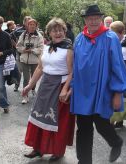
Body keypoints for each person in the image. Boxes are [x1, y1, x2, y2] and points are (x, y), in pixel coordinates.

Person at [70, 4, 126, 164]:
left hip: (101, 90)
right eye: (90, 19)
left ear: (101, 19)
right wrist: (70, 87)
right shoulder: (79, 38)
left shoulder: (110, 38)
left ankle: (116, 142)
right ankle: (84, 161)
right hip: (82, 91)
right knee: (83, 128)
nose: (93, 21)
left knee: (102, 124)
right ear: (85, 20)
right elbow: (75, 66)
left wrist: (118, 93)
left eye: (97, 18)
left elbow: (117, 66)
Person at [22, 18, 75, 161]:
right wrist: (29, 85)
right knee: (38, 116)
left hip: (60, 86)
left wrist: (65, 89)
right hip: (45, 85)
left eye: (60, 30)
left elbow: (72, 72)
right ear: (49, 33)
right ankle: (38, 148)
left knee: (57, 121)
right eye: (54, 30)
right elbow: (40, 68)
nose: (57, 33)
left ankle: (57, 150)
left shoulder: (69, 49)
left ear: (65, 31)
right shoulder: (46, 47)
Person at [109, 21, 126, 128]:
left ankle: (119, 119)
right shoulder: (111, 40)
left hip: (125, 67)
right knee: (114, 94)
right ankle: (113, 119)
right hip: (116, 68)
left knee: (123, 94)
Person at [16, 19, 44, 104]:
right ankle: (25, 96)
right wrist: (24, 49)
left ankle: (33, 88)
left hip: (35, 61)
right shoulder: (23, 35)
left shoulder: (39, 36)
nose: (32, 26)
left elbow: (41, 49)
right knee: (26, 78)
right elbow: (18, 46)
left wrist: (32, 50)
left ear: (36, 26)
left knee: (33, 78)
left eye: (33, 24)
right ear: (27, 26)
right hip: (24, 60)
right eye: (30, 24)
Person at [11, 16, 32, 91]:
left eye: (31, 21)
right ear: (24, 22)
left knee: (29, 74)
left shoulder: (34, 31)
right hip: (20, 55)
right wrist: (16, 46)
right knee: (19, 71)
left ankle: (29, 88)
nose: (30, 23)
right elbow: (10, 37)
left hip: (30, 56)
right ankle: (17, 85)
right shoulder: (18, 31)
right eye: (28, 21)